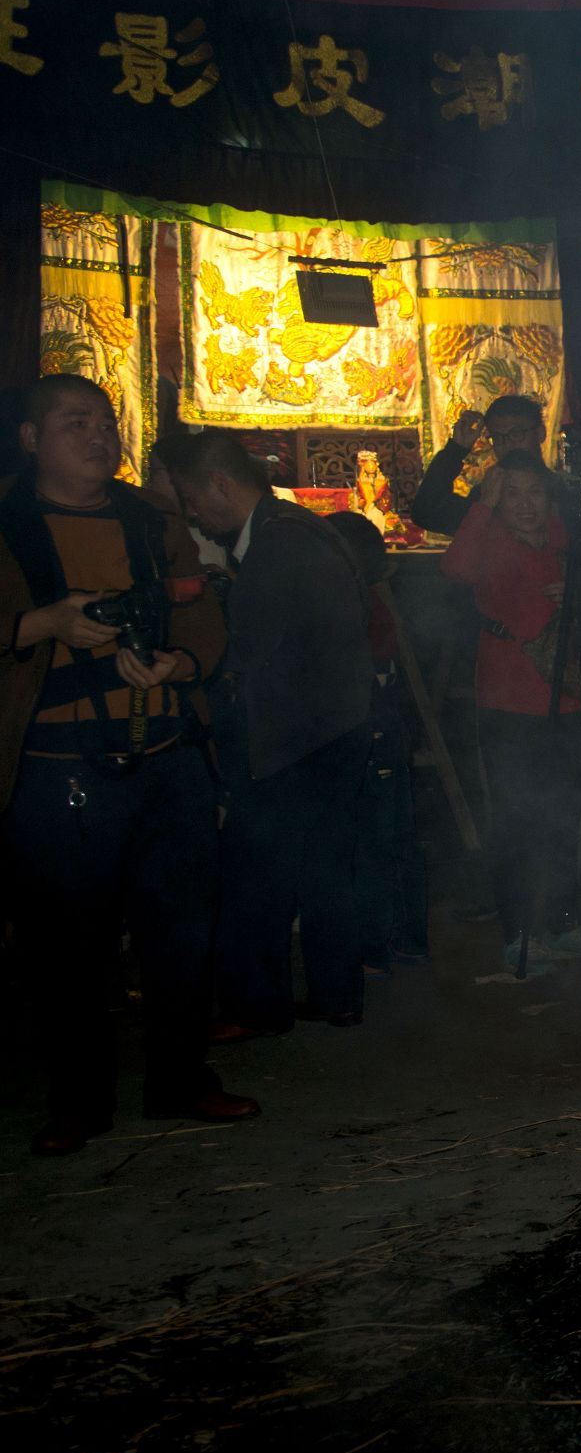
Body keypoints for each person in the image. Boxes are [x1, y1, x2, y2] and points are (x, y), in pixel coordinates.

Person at [2, 376, 250, 1155]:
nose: (99, 437)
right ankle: (79, 1101)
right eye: (75, 424)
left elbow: (198, 608)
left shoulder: (151, 521)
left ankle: (181, 1079)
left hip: (165, 756)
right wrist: (43, 623)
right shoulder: (8, 523)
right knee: (66, 945)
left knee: (181, 931)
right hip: (56, 768)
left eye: (106, 423)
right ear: (31, 440)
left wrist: (182, 663)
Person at [165, 431, 373, 1034]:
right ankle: (336, 995)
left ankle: (257, 1007)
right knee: (325, 869)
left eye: (191, 499)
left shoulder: (279, 543)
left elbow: (246, 650)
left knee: (258, 873)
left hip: (294, 736)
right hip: (336, 724)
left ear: (220, 485)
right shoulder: (296, 528)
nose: (193, 515)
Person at [442, 451, 581, 971]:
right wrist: (483, 504)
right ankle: (519, 934)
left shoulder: (565, 539)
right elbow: (455, 570)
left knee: (565, 815)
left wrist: (579, 598)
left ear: (550, 496)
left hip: (567, 699)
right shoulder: (488, 539)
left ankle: (563, 924)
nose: (526, 504)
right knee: (515, 820)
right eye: (512, 494)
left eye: (534, 492)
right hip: (508, 702)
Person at [327, 511, 430, 975]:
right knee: (395, 837)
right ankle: (409, 941)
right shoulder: (368, 598)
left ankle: (375, 948)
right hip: (385, 726)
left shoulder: (353, 603)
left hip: (368, 728)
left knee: (371, 843)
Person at [410, 393, 546, 536]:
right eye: (497, 437)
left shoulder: (557, 490)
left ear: (540, 433)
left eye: (516, 434)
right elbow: (426, 514)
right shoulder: (488, 497)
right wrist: (455, 450)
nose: (507, 444)